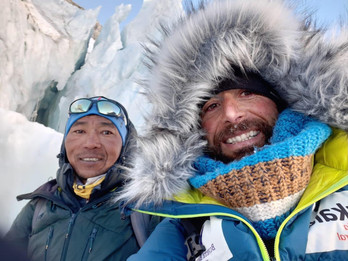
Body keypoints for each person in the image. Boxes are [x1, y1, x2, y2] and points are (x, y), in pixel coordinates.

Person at [115, 0, 348, 260]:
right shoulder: (184, 223)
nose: (230, 114)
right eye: (212, 106)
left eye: (247, 93)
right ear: (194, 128)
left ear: (280, 100)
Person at [5, 96, 160, 261]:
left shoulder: (147, 207)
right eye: (79, 131)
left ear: (125, 146)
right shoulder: (40, 206)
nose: (91, 143)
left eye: (106, 132)